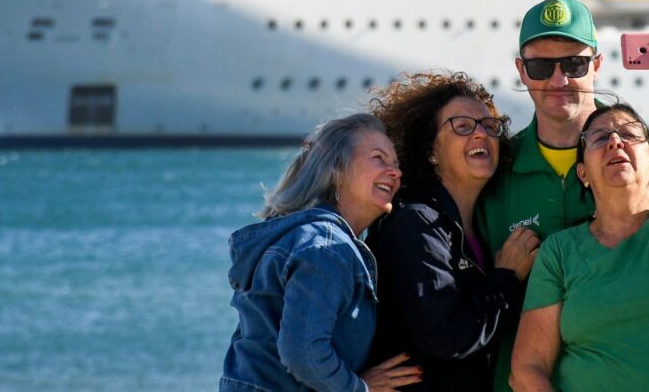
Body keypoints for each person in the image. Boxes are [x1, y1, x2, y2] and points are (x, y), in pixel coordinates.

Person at [510, 26, 649, 391]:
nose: (615, 141)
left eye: (629, 134)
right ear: (582, 172)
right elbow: (527, 369)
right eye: (599, 138)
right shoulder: (560, 252)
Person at [476, 0, 649, 389]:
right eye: (541, 66)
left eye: (574, 64)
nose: (559, 81)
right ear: (521, 71)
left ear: (597, 66)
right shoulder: (496, 169)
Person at [219, 113, 423, 392]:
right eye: (378, 158)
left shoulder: (306, 236)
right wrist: (359, 388)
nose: (395, 172)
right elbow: (303, 353)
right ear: (337, 169)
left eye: (396, 164)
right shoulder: (326, 248)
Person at [366, 72, 541, 390]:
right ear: (430, 149)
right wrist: (506, 278)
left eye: (490, 127)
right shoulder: (415, 224)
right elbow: (444, 336)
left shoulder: (480, 223)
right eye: (462, 126)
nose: (481, 135)